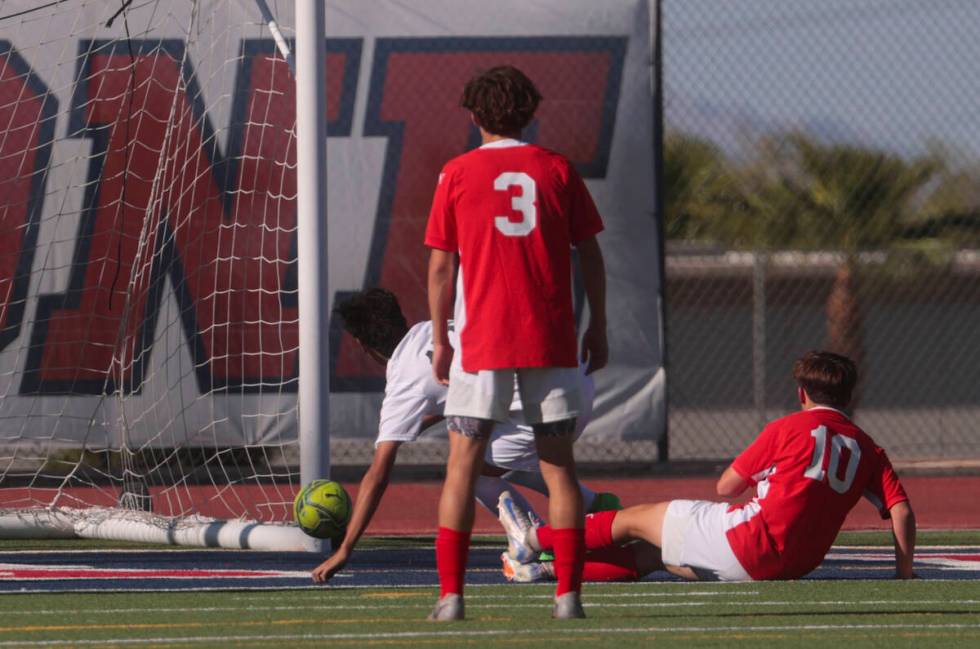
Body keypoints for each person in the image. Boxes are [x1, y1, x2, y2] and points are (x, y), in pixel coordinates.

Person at [425, 65, 608, 620]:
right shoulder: (556, 169)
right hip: (548, 340)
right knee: (559, 470)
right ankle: (569, 598)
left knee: (462, 466)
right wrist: (598, 324)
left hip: (482, 343)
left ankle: (452, 598)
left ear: (474, 115)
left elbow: (440, 267)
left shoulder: (456, 173)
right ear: (531, 114)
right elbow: (591, 255)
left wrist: (440, 339)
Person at [499, 351, 917, 583]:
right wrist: (904, 574)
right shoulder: (867, 447)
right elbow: (901, 510)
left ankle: (533, 539)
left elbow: (726, 487)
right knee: (648, 556)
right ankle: (544, 572)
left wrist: (766, 474)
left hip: (747, 543)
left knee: (634, 520)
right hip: (791, 566)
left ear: (802, 393)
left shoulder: (788, 428)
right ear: (847, 396)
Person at [310, 289, 619, 584]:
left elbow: (378, 475)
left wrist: (346, 548)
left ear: (363, 346)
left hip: (545, 408)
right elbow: (464, 389)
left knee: (466, 466)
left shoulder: (404, 380)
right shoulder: (432, 328)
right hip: (574, 379)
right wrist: (422, 421)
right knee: (482, 438)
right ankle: (596, 503)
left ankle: (535, 538)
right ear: (399, 318)